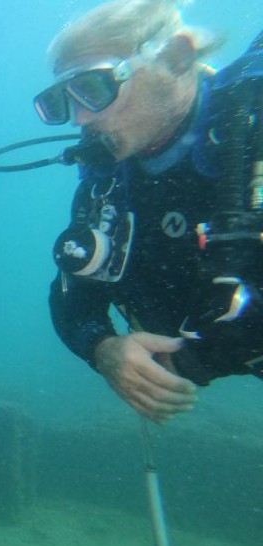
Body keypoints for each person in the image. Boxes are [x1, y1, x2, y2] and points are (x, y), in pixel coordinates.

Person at [37, 0, 263, 423]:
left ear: (176, 57)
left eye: (94, 87)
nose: (80, 119)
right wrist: (103, 349)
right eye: (61, 101)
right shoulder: (108, 181)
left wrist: (195, 362)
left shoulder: (251, 130)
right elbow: (73, 297)